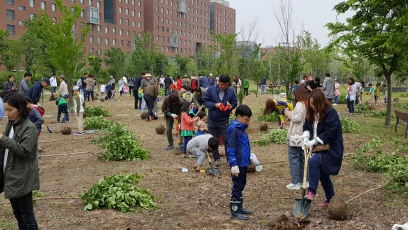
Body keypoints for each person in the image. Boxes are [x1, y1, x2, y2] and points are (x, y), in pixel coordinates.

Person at [0, 94, 40, 229]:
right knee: (18, 214)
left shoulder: (29, 128)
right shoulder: (11, 124)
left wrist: (2, 138)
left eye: (10, 110)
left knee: (27, 215)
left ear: (20, 109)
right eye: (5, 110)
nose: (7, 113)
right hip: (11, 176)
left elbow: (23, 151)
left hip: (23, 177)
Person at [302, 88, 344, 208]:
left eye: (315, 104)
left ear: (321, 102)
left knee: (314, 162)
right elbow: (306, 125)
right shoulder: (311, 112)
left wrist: (314, 141)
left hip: (331, 148)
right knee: (322, 174)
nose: (312, 106)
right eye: (311, 104)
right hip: (318, 148)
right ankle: (330, 199)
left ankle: (311, 192)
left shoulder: (331, 113)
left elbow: (330, 133)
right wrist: (306, 136)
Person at [204, 74, 237, 166]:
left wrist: (231, 107)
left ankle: (229, 158)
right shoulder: (211, 90)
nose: (223, 86)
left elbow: (235, 102)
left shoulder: (231, 91)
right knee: (213, 140)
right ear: (218, 82)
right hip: (212, 119)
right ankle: (216, 158)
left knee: (227, 139)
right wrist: (214, 105)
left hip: (224, 120)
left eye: (226, 85)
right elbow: (206, 102)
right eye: (222, 84)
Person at [227, 104, 253, 220]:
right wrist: (233, 164)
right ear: (239, 116)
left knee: (242, 183)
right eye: (246, 119)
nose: (247, 122)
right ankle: (235, 211)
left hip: (243, 162)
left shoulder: (241, 129)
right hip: (237, 163)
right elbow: (231, 148)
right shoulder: (235, 130)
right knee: (237, 185)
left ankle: (240, 206)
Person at [284, 86, 308, 190]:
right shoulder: (307, 103)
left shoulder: (299, 104)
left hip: (295, 135)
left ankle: (295, 182)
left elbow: (297, 118)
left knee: (294, 158)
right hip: (304, 135)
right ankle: (305, 180)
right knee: (303, 158)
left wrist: (289, 114)